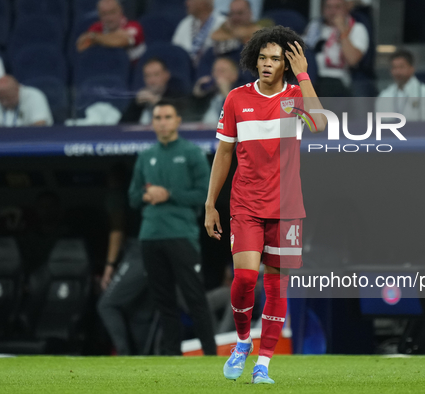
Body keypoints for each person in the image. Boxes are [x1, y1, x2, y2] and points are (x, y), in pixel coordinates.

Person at [204, 25, 326, 384]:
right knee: (243, 278)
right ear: (254, 59)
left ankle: (264, 364)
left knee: (275, 288)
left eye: (275, 58)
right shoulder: (236, 99)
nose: (267, 64)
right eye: (262, 57)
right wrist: (211, 203)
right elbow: (224, 153)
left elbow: (319, 123)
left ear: (286, 64)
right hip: (245, 204)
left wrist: (304, 75)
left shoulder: (295, 97)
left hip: (287, 207)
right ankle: (243, 342)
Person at [128, 99, 216, 356]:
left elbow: (204, 194)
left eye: (167, 117)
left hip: (181, 234)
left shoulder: (191, 153)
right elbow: (133, 197)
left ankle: (211, 355)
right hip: (150, 235)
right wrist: (147, 195)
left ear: (178, 120)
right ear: (152, 122)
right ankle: (171, 356)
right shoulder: (146, 156)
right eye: (157, 117)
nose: (162, 122)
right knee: (162, 300)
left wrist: (168, 194)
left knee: (194, 297)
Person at [303, 0, 369, 96]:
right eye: (329, 7)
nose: (332, 11)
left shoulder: (356, 28)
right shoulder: (314, 27)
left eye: (337, 7)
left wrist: (342, 31)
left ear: (346, 9)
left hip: (340, 81)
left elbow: (353, 60)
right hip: (312, 77)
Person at [121, 58, 187, 124]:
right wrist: (136, 105)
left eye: (156, 75)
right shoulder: (140, 100)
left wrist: (157, 102)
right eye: (148, 76)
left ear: (167, 75)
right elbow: (122, 127)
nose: (152, 81)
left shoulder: (177, 95)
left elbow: (184, 118)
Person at [76, 0, 146, 62]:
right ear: (99, 15)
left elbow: (120, 41)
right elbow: (81, 47)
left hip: (133, 71)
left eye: (112, 12)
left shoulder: (134, 26)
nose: (109, 18)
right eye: (104, 14)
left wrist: (95, 37)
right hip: (106, 68)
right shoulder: (96, 28)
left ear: (120, 11)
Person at [376, 49, 425, 122]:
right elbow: (379, 123)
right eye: (394, 68)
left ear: (412, 68)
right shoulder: (384, 95)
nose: (397, 72)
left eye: (401, 67)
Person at [172, 0, 226, 66]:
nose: (186, 3)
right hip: (185, 71)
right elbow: (175, 52)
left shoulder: (223, 24)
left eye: (190, 0)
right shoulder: (185, 23)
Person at [194, 57, 241, 124]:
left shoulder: (242, 92)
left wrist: (226, 92)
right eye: (215, 70)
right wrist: (198, 91)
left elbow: (240, 115)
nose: (217, 75)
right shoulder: (208, 91)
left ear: (234, 75)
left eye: (222, 71)